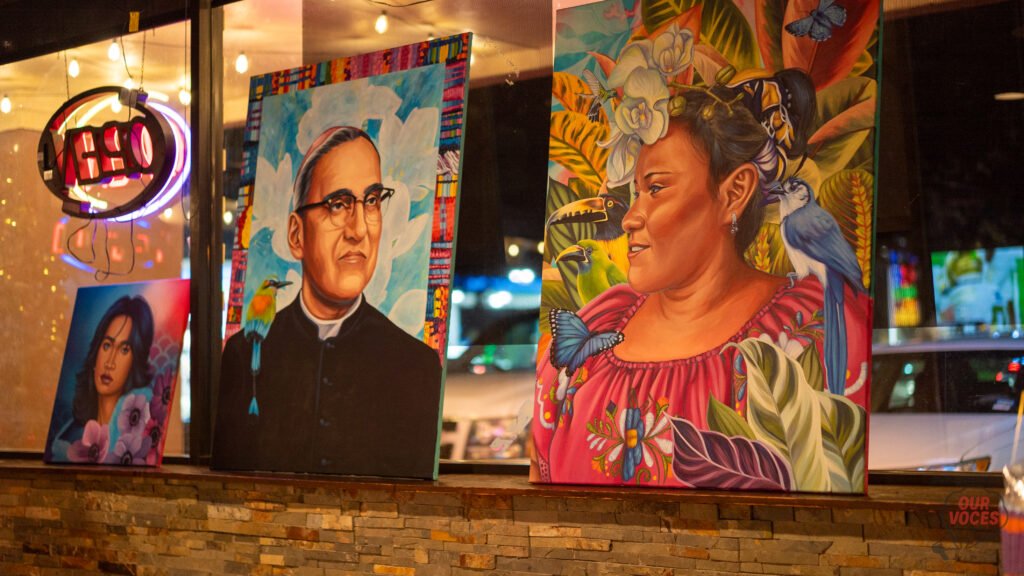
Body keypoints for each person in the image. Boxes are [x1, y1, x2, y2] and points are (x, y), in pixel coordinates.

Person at [533, 82, 871, 486]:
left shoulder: (816, 326)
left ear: (734, 193)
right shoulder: (599, 323)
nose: (630, 218)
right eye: (636, 192)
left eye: (656, 189)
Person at [214, 126, 442, 479]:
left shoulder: (417, 365)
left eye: (372, 201)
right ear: (296, 234)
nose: (358, 230)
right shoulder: (244, 356)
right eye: (338, 205)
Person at [46, 295, 155, 463]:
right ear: (96, 352)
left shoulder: (140, 435)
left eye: (124, 350)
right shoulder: (66, 441)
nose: (110, 362)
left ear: (135, 363)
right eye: (107, 345)